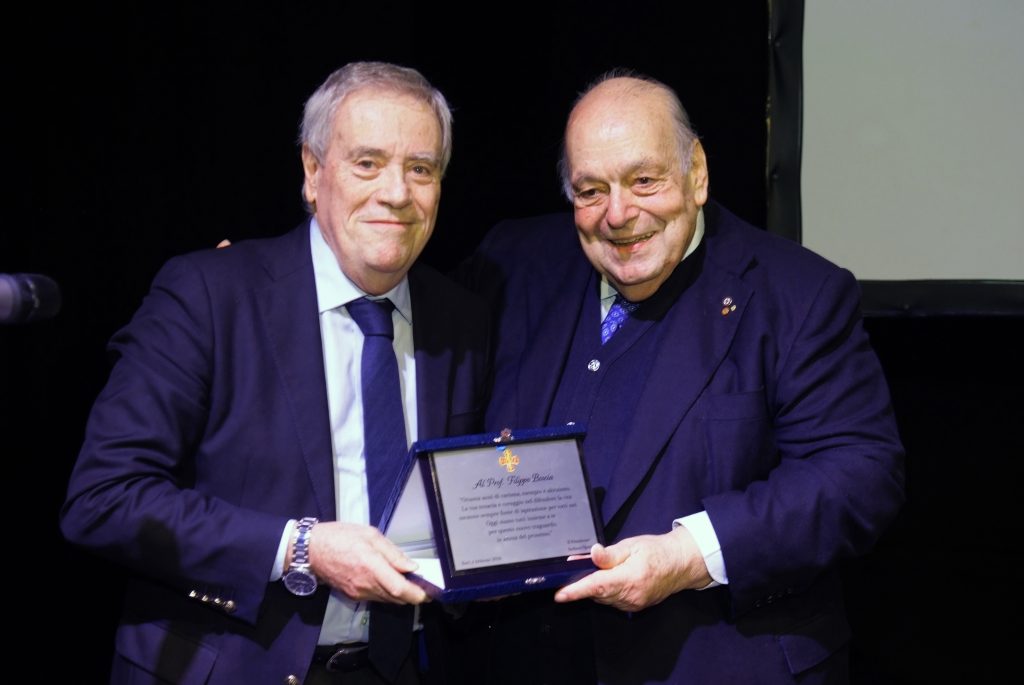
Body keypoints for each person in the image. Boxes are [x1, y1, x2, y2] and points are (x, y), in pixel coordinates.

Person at [455, 71, 905, 684]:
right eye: (591, 190)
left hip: (719, 663)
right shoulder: (510, 264)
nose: (619, 214)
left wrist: (688, 555)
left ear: (697, 174)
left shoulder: (799, 294)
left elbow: (860, 474)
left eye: (644, 180)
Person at [60, 61, 490, 685]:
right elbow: (104, 498)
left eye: (420, 169)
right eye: (367, 163)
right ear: (313, 173)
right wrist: (300, 548)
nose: (397, 193)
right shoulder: (210, 294)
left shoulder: (462, 319)